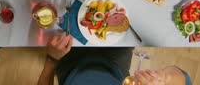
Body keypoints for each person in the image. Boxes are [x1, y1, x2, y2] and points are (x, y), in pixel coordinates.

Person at [37, 35, 191, 84]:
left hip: (71, 66)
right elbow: (182, 78)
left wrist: (52, 60)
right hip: (115, 64)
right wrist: (162, 78)